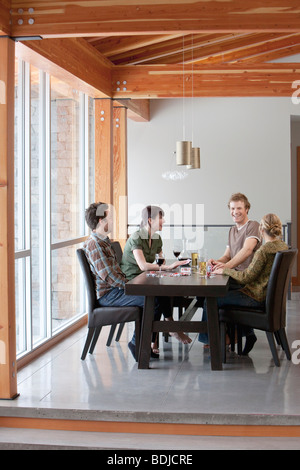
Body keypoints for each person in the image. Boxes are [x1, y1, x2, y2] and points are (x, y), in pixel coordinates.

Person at [208, 214, 288, 355]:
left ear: (261, 231)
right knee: (228, 294)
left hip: (255, 297)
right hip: (266, 298)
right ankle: (247, 334)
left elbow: (246, 277)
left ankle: (217, 342)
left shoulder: (263, 251)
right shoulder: (283, 247)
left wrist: (225, 271)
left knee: (212, 300)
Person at [121, 205, 192, 351]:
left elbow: (161, 259)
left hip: (146, 278)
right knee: (157, 296)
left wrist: (165, 267)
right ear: (149, 220)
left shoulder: (157, 239)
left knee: (161, 291)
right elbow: (142, 266)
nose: (163, 221)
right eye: (160, 218)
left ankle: (155, 340)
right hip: (133, 281)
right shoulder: (136, 237)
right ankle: (170, 329)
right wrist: (167, 268)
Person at [83, 202, 146, 360]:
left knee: (153, 298)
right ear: (101, 221)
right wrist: (133, 286)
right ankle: (137, 344)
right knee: (151, 299)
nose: (112, 221)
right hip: (109, 296)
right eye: (109, 218)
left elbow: (117, 273)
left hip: (115, 291)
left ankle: (143, 343)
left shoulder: (104, 241)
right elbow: (111, 277)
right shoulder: (95, 245)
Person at [199, 193, 261, 345]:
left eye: (239, 208)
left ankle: (218, 339)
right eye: (232, 208)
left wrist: (226, 268)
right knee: (200, 295)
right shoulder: (232, 230)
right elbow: (227, 255)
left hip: (245, 281)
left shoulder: (253, 226)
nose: (235, 211)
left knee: (209, 296)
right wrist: (216, 262)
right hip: (234, 277)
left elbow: (247, 250)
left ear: (247, 209)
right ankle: (238, 332)